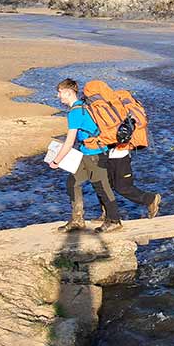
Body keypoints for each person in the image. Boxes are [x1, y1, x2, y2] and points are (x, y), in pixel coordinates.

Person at [48, 78, 124, 232]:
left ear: (69, 93)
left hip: (95, 154)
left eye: (60, 92)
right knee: (73, 182)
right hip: (87, 153)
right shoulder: (84, 106)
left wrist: (56, 161)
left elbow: (69, 142)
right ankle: (77, 220)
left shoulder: (75, 113)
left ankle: (115, 221)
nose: (58, 96)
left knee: (102, 187)